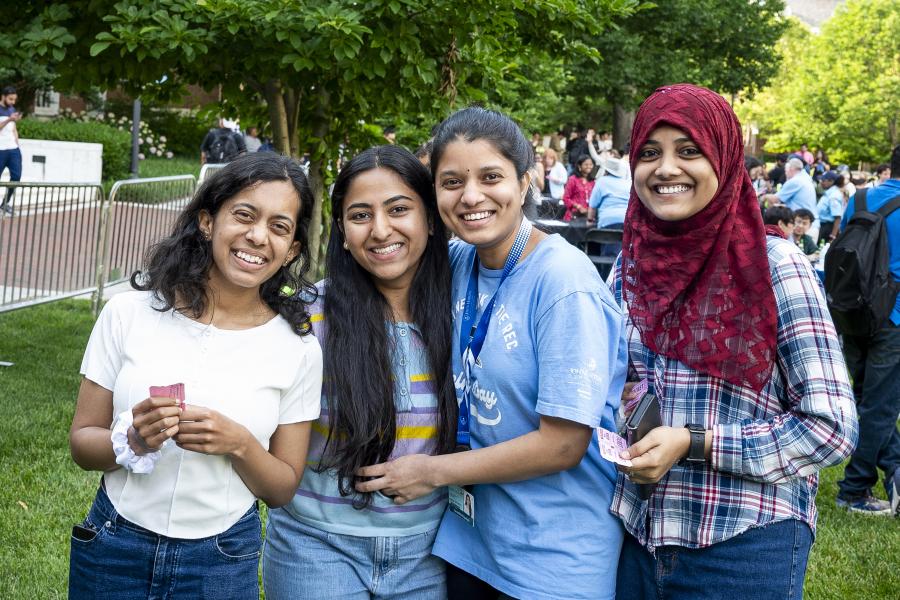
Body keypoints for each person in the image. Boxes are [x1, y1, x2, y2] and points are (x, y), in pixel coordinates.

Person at [355, 106, 628, 600]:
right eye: (452, 181)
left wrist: (431, 472)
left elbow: (563, 444)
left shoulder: (563, 283)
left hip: (552, 560)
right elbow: (381, 259)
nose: (471, 196)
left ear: (525, 182)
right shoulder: (460, 260)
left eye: (491, 177)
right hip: (471, 545)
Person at [611, 84, 857, 600]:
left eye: (689, 151)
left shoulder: (774, 266)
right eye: (650, 153)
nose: (666, 169)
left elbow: (831, 428)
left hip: (742, 546)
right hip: (636, 538)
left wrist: (695, 443)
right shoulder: (629, 267)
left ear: (723, 159)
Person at [68, 153, 324, 598]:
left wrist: (240, 444)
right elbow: (81, 444)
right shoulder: (127, 314)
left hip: (221, 558)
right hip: (114, 541)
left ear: (293, 250)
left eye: (280, 227)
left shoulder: (297, 348)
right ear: (208, 221)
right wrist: (132, 440)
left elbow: (282, 487)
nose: (258, 236)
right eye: (244, 215)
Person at [263, 146, 456, 598]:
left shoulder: (462, 311)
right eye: (360, 215)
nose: (380, 229)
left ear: (429, 219)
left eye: (399, 209)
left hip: (432, 552)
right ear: (343, 233)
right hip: (314, 548)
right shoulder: (305, 318)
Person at [836, 144, 900, 516]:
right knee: (880, 405)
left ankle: (894, 468)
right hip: (894, 318)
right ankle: (855, 488)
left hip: (854, 313)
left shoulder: (858, 199)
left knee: (868, 400)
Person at [764, 157, 819, 240]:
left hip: (804, 226)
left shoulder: (796, 181)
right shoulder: (806, 178)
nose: (785, 174)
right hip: (809, 225)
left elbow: (775, 199)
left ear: (791, 169)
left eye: (786, 171)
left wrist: (763, 196)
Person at [587, 156, 630, 229]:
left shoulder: (602, 181)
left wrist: (589, 221)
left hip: (607, 222)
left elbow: (593, 206)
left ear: (606, 171)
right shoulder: (627, 183)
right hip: (628, 222)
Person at [0, 86, 22, 216]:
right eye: (10, 99)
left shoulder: (12, 109)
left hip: (13, 149)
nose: (13, 102)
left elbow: (14, 129)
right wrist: (9, 119)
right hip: (0, 149)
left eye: (14, 99)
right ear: (3, 96)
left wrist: (17, 144)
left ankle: (5, 203)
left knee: (16, 176)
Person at [562, 154, 595, 221]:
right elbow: (565, 198)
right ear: (579, 166)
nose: (589, 166)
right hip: (573, 216)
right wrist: (578, 206)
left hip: (587, 217)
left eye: (591, 164)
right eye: (586, 164)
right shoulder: (573, 179)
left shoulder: (592, 182)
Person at [817, 170, 844, 244]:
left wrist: (833, 236)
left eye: (823, 180)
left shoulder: (833, 196)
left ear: (831, 181)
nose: (821, 182)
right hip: (822, 226)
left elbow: (837, 218)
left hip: (827, 229)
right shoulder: (828, 193)